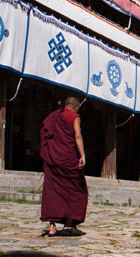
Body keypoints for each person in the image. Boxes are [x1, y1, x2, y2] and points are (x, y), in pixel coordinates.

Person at [40, 96, 88, 237]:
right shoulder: (74, 117)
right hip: (69, 161)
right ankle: (68, 225)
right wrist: (82, 155)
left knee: (52, 192)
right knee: (76, 191)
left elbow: (46, 135)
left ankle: (52, 227)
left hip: (53, 160)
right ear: (74, 107)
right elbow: (77, 136)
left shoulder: (54, 117)